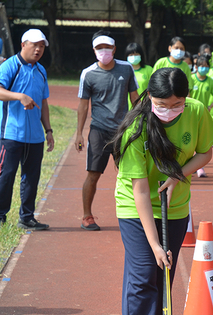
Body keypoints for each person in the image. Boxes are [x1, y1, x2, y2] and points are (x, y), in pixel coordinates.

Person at [112, 67, 213, 315]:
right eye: (162, 105)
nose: (170, 111)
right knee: (144, 275)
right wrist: (155, 245)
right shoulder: (136, 129)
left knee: (162, 280)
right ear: (149, 97)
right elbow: (139, 191)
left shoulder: (196, 111)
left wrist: (177, 175)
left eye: (177, 104)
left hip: (175, 207)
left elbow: (205, 154)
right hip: (136, 209)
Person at [0, 29, 54, 230]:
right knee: (6, 176)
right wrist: (19, 96)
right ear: (23, 44)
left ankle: (27, 217)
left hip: (35, 136)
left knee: (31, 178)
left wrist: (49, 130)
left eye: (42, 46)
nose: (38, 49)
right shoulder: (10, 66)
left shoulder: (41, 71)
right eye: (34, 45)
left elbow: (43, 103)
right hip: (11, 134)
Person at [75, 31, 139, 230]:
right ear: (94, 50)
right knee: (93, 174)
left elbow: (135, 99)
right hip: (99, 131)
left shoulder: (126, 69)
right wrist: (79, 133)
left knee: (131, 174)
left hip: (123, 130)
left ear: (114, 49)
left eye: (107, 48)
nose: (104, 51)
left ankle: (136, 215)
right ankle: (87, 216)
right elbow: (83, 105)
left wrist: (139, 124)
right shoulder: (88, 73)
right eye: (99, 48)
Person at [189, 54, 213, 177]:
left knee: (202, 141)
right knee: (191, 140)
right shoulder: (191, 79)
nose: (204, 68)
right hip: (190, 114)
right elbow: (186, 95)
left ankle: (200, 167)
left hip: (202, 115)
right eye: (201, 66)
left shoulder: (210, 81)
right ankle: (192, 165)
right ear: (196, 67)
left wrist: (209, 106)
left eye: (206, 66)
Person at [125, 42, 153, 109]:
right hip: (128, 108)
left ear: (141, 55)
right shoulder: (124, 71)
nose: (133, 57)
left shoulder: (149, 69)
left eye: (136, 54)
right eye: (131, 55)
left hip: (146, 107)